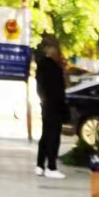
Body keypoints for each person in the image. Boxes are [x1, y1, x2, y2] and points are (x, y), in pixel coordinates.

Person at [35, 36, 68, 179]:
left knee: (46, 135)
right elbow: (58, 89)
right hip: (53, 105)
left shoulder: (42, 65)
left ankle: (40, 165)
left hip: (47, 105)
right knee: (53, 136)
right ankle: (51, 166)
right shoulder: (53, 68)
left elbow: (41, 87)